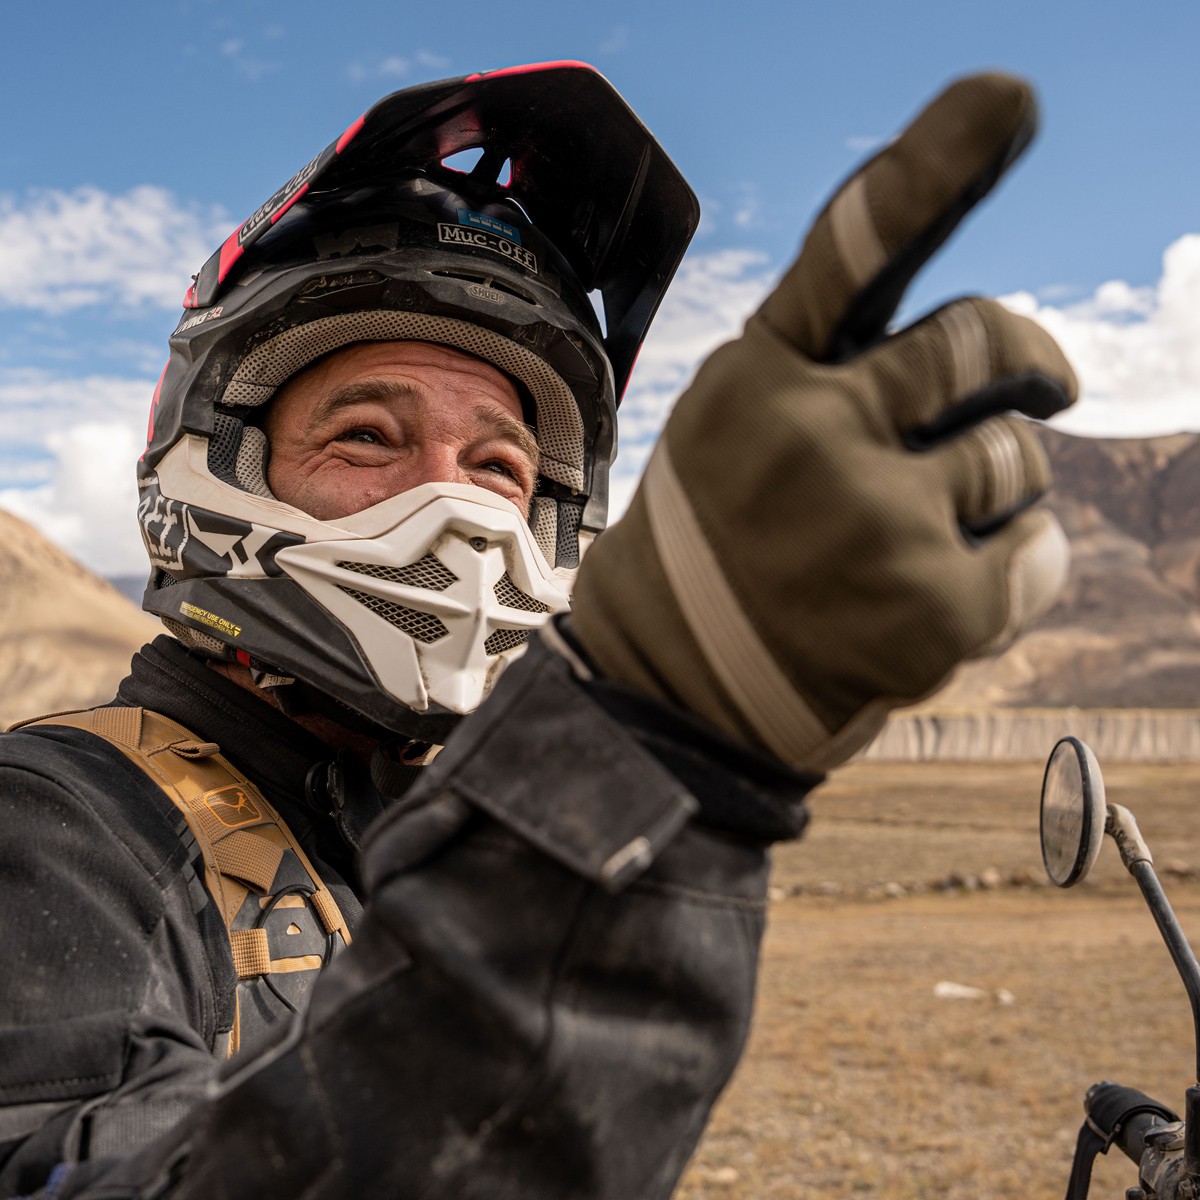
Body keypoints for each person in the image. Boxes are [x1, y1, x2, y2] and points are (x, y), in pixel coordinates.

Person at [0, 62, 1076, 1198]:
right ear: (217, 466)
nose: (456, 506)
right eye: (367, 436)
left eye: (502, 466)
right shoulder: (56, 829)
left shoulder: (442, 821)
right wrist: (658, 745)